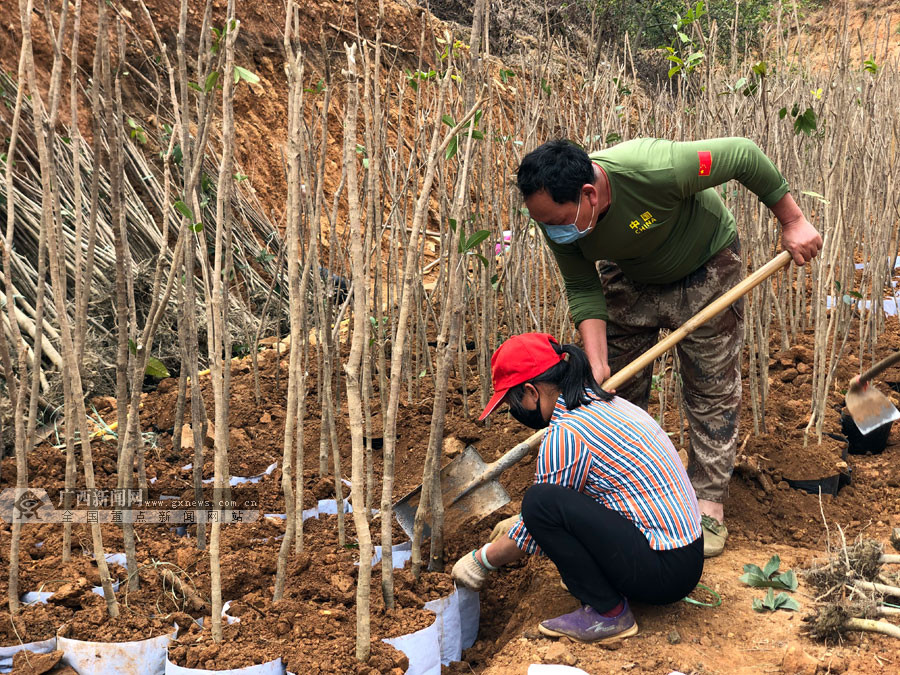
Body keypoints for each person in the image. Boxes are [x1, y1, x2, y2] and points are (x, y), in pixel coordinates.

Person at [515, 138, 823, 557]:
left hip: (705, 262)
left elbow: (743, 155)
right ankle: (626, 489)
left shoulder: (655, 170)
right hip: (630, 272)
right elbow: (582, 286)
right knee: (612, 392)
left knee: (710, 385)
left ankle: (707, 503)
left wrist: (793, 221)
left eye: (557, 220)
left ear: (588, 194)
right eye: (544, 223)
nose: (553, 231)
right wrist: (599, 364)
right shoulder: (557, 220)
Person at [451, 333, 703, 643]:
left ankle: (609, 613)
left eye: (512, 403)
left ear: (531, 392)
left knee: (539, 503)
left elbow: (542, 522)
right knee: (542, 506)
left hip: (664, 572)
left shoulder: (567, 433)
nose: (514, 414)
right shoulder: (605, 402)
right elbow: (585, 495)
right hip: (683, 555)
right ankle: (607, 586)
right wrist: (522, 523)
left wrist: (482, 560)